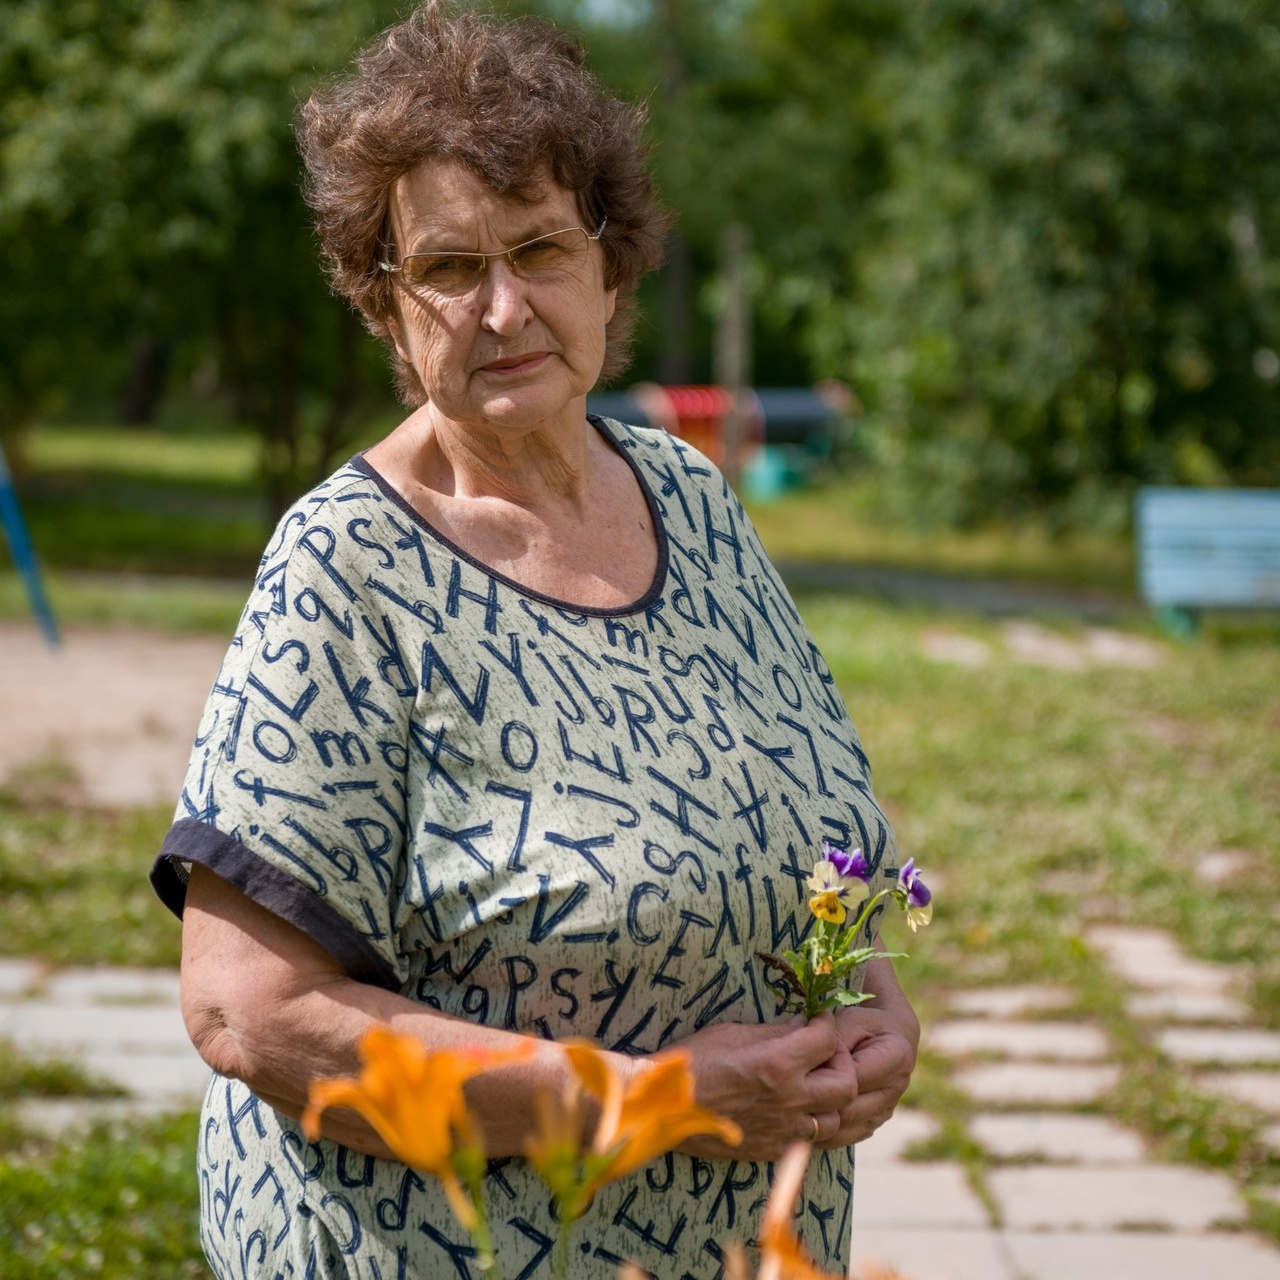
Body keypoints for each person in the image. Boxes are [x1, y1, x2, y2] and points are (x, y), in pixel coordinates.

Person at [150, 4, 919, 1277]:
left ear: (608, 268)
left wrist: (869, 1011)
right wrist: (651, 1099)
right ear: (385, 310)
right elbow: (250, 1010)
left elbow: (822, 833)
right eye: (449, 269)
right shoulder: (345, 567)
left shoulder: (688, 497)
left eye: (541, 248)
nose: (505, 306)